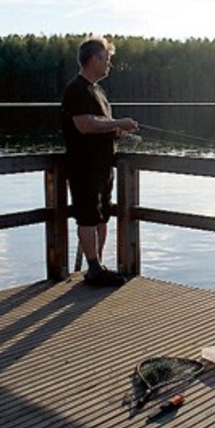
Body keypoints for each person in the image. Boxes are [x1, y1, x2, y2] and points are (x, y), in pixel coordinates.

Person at [61, 36, 138, 286]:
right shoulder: (76, 89)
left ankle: (98, 266)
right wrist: (118, 123)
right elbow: (84, 125)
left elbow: (101, 125)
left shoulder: (97, 91)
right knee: (87, 216)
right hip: (84, 166)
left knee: (103, 214)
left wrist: (119, 131)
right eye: (106, 59)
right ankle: (93, 267)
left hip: (103, 165)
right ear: (93, 59)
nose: (109, 65)